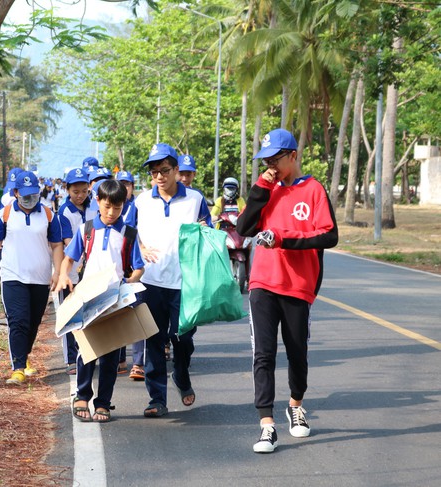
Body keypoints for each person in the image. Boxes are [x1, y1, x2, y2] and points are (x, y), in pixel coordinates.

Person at [236, 128, 338, 453]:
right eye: (265, 160)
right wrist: (261, 187)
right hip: (262, 283)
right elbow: (242, 228)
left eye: (275, 159)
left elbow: (329, 236)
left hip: (298, 286)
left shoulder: (313, 189)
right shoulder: (267, 190)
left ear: (292, 156)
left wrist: (284, 238)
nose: (271, 165)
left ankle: (295, 405)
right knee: (263, 354)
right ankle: (267, 425)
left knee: (297, 353)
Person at [56, 179, 145, 423]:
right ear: (97, 202)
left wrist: (130, 282)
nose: (111, 213)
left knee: (111, 355)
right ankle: (82, 396)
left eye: (117, 208)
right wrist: (64, 275)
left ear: (124, 206)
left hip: (115, 300)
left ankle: (103, 402)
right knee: (87, 349)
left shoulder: (128, 233)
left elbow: (138, 268)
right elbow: (69, 259)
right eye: (106, 207)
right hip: (89, 297)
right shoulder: (86, 230)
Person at [134, 143, 212, 417]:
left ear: (177, 170)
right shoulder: (142, 201)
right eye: (154, 172)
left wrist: (204, 232)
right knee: (153, 341)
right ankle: (157, 399)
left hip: (184, 283)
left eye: (164, 170)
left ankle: (181, 373)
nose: (159, 177)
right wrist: (140, 249)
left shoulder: (195, 199)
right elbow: (130, 232)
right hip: (151, 282)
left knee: (184, 339)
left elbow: (208, 232)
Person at [0, 170, 64, 386]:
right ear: (16, 192)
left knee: (33, 322)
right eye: (25, 194)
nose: (30, 199)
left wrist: (58, 272)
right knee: (18, 321)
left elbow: (56, 245)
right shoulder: (4, 214)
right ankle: (17, 367)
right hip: (12, 275)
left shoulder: (48, 215)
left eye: (33, 194)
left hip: (40, 278)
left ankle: (23, 356)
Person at [57, 167, 97, 375]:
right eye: (75, 192)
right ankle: (71, 358)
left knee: (90, 312)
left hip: (91, 269)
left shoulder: (94, 208)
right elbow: (67, 241)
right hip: (71, 269)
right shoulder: (64, 212)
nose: (80, 196)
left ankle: (88, 352)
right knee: (70, 313)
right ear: (67, 190)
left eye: (84, 191)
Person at [115, 170, 144, 379]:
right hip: (115, 267)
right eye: (121, 184)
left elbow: (135, 233)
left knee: (136, 314)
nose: (125, 188)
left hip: (134, 264)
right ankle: (120, 358)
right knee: (117, 316)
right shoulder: (111, 205)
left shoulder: (138, 205)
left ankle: (139, 363)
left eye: (128, 184)